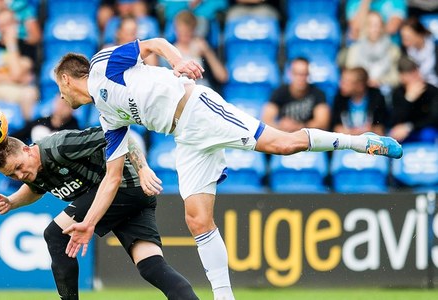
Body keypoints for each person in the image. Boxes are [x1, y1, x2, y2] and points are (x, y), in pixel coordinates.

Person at [53, 38, 403, 300]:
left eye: (58, 88)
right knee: (196, 219)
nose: (60, 97)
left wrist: (180, 61)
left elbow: (154, 44)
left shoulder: (102, 65)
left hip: (197, 108)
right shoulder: (108, 116)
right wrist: (89, 224)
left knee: (284, 145)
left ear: (68, 79)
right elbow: (113, 177)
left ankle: (358, 142)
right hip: (185, 137)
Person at [0, 130, 198, 300]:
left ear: (27, 149)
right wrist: (12, 201)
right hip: (131, 200)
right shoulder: (33, 170)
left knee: (55, 234)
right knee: (151, 267)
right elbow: (35, 188)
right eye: (12, 175)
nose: (20, 175)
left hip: (125, 187)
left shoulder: (60, 146)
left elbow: (119, 135)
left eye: (19, 167)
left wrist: (142, 168)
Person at [261, 57, 331, 132]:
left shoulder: (318, 93)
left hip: (308, 139)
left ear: (308, 75)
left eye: (304, 74)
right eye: (297, 74)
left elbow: (323, 123)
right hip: (285, 136)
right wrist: (281, 126)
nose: (300, 78)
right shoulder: (279, 92)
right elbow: (266, 120)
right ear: (290, 74)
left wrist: (299, 127)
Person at [344, 11, 401, 89]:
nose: (375, 29)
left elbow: (396, 78)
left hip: (383, 92)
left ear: (383, 27)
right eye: (371, 25)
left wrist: (380, 81)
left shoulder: (393, 50)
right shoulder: (354, 49)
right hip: (361, 91)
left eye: (378, 25)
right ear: (365, 27)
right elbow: (350, 76)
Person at [172, 10, 228, 89]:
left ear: (194, 30)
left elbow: (222, 77)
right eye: (181, 32)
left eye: (187, 32)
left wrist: (207, 52)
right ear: (175, 30)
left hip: (201, 89)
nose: (184, 36)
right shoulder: (171, 51)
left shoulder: (201, 47)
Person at [389, 56, 438, 144]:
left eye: (415, 72)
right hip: (404, 132)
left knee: (428, 134)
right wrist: (408, 99)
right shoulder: (397, 93)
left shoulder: (431, 91)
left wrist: (409, 127)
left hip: (423, 129)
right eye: (410, 74)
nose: (415, 77)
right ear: (402, 77)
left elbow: (434, 118)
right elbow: (396, 120)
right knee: (394, 135)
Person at [332, 67, 388, 136]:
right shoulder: (339, 99)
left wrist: (350, 132)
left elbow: (380, 130)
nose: (341, 85)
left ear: (360, 86)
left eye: (346, 82)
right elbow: (336, 129)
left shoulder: (376, 98)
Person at [13, 95, 80, 144]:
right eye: (59, 103)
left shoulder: (74, 131)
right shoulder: (41, 121)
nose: (61, 107)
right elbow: (19, 135)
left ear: (73, 108)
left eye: (65, 105)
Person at [400, 17, 438, 87]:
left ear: (419, 35)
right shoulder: (404, 51)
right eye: (402, 37)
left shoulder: (435, 50)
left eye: (408, 37)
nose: (404, 42)